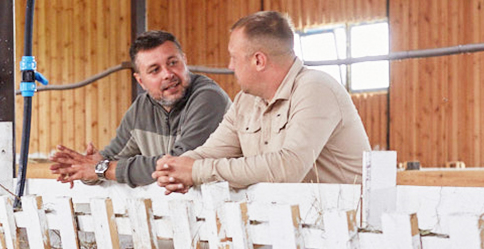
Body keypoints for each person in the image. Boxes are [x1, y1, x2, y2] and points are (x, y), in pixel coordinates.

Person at [154, 11, 371, 194]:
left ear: (258, 61)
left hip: (347, 230)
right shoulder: (245, 101)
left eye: (234, 57)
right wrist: (173, 168)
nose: (230, 66)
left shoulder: (316, 88)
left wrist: (195, 172)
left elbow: (288, 167)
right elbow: (211, 151)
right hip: (292, 226)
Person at [49, 30, 230, 187]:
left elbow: (178, 164)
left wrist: (101, 169)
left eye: (173, 62)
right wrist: (81, 168)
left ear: (185, 61)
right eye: (154, 70)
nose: (168, 74)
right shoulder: (141, 108)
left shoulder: (208, 98)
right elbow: (108, 159)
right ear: (141, 81)